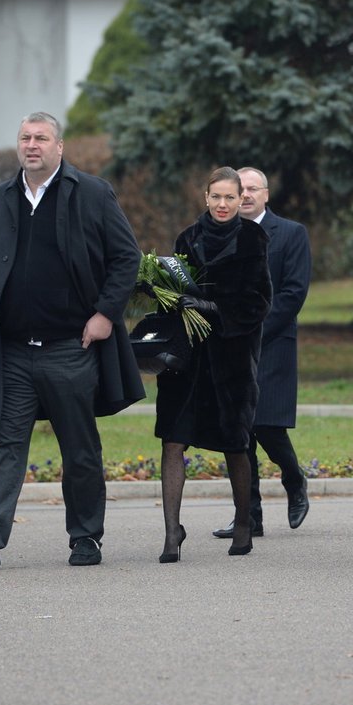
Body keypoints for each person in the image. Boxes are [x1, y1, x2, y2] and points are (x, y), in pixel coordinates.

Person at [0, 111, 144, 570]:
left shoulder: (91, 193)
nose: (32, 145)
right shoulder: (1, 197)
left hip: (71, 347)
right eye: (25, 137)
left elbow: (126, 256)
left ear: (59, 147)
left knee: (79, 448)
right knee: (5, 440)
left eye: (41, 138)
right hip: (13, 349)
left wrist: (105, 315)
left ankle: (86, 538)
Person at [156, 167, 272, 562]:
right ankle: (172, 533)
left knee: (235, 443)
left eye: (230, 197)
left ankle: (244, 523)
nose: (223, 205)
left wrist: (211, 309)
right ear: (205, 198)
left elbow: (258, 303)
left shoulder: (254, 238)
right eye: (216, 197)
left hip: (232, 360)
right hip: (187, 360)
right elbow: (171, 294)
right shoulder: (186, 238)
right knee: (172, 439)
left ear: (242, 200)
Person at [211, 166, 312, 540]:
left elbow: (293, 293)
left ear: (266, 194)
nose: (247, 195)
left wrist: (251, 330)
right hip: (227, 348)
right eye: (241, 189)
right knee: (238, 433)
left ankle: (294, 478)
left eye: (253, 189)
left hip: (271, 344)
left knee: (266, 425)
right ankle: (248, 517)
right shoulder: (218, 234)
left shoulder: (290, 234)